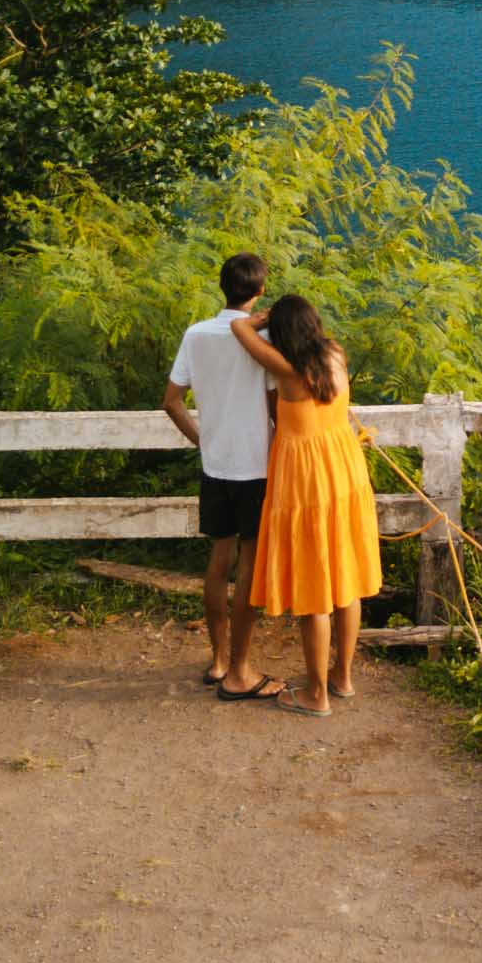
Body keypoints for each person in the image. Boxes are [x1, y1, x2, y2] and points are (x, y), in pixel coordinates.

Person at [230, 294, 382, 718]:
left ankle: (317, 695)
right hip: (345, 472)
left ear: (282, 334)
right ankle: (342, 677)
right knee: (345, 581)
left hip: (307, 480)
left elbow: (237, 329)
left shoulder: (287, 369)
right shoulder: (334, 354)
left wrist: (257, 317)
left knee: (315, 590)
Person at [162, 253, 284, 703]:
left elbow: (172, 400)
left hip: (216, 465)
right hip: (257, 466)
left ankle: (217, 660)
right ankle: (241, 668)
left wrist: (201, 439)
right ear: (259, 291)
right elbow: (276, 406)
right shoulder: (263, 338)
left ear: (222, 286)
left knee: (218, 561)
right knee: (248, 567)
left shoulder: (195, 334)